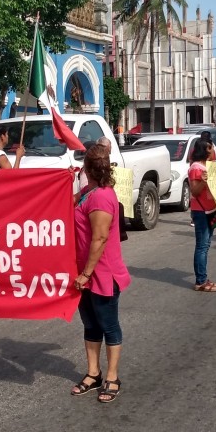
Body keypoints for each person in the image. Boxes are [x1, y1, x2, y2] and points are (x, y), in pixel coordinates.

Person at [70, 144, 131, 403]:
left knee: (108, 325)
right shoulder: (87, 191)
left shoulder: (102, 197)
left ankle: (112, 377)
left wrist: (85, 273)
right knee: (90, 324)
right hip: (85, 273)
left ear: (87, 168)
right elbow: (66, 203)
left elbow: (101, 238)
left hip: (101, 273)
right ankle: (93, 373)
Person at [189, 138, 216, 292]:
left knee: (206, 245)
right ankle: (200, 281)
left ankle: (204, 277)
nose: (212, 150)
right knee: (202, 246)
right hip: (201, 211)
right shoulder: (196, 168)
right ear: (203, 150)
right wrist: (203, 181)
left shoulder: (207, 166)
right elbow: (194, 191)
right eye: (210, 148)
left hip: (210, 209)